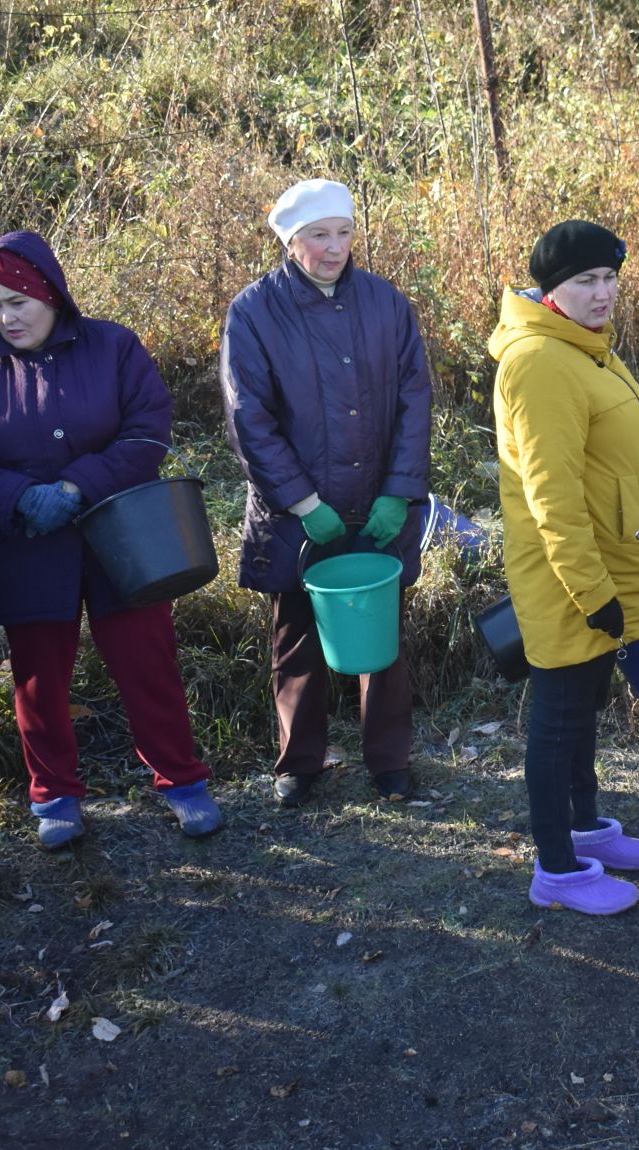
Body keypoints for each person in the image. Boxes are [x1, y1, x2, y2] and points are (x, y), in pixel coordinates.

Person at [0, 234, 219, 847]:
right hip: (26, 547)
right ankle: (55, 794)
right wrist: (16, 498)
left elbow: (149, 428)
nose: (7, 318)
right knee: (38, 678)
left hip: (124, 537)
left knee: (148, 663)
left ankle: (182, 781)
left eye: (19, 302)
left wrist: (74, 488)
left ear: (51, 295)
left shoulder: (113, 346)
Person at [221, 179, 433, 807]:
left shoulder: (386, 303)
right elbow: (248, 417)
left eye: (343, 232)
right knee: (297, 637)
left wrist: (400, 489)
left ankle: (389, 761)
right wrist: (303, 503)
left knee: (382, 636)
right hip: (297, 512)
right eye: (319, 235)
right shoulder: (255, 312)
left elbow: (414, 399)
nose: (335, 247)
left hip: (378, 499)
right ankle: (300, 762)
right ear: (291, 243)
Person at [491, 220, 639, 915]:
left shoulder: (587, 349)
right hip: (568, 578)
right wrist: (593, 592)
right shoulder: (538, 361)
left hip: (604, 566)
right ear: (550, 289)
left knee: (586, 709)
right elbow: (551, 495)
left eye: (609, 278)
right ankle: (557, 870)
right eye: (585, 281)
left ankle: (585, 826)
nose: (603, 293)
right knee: (559, 719)